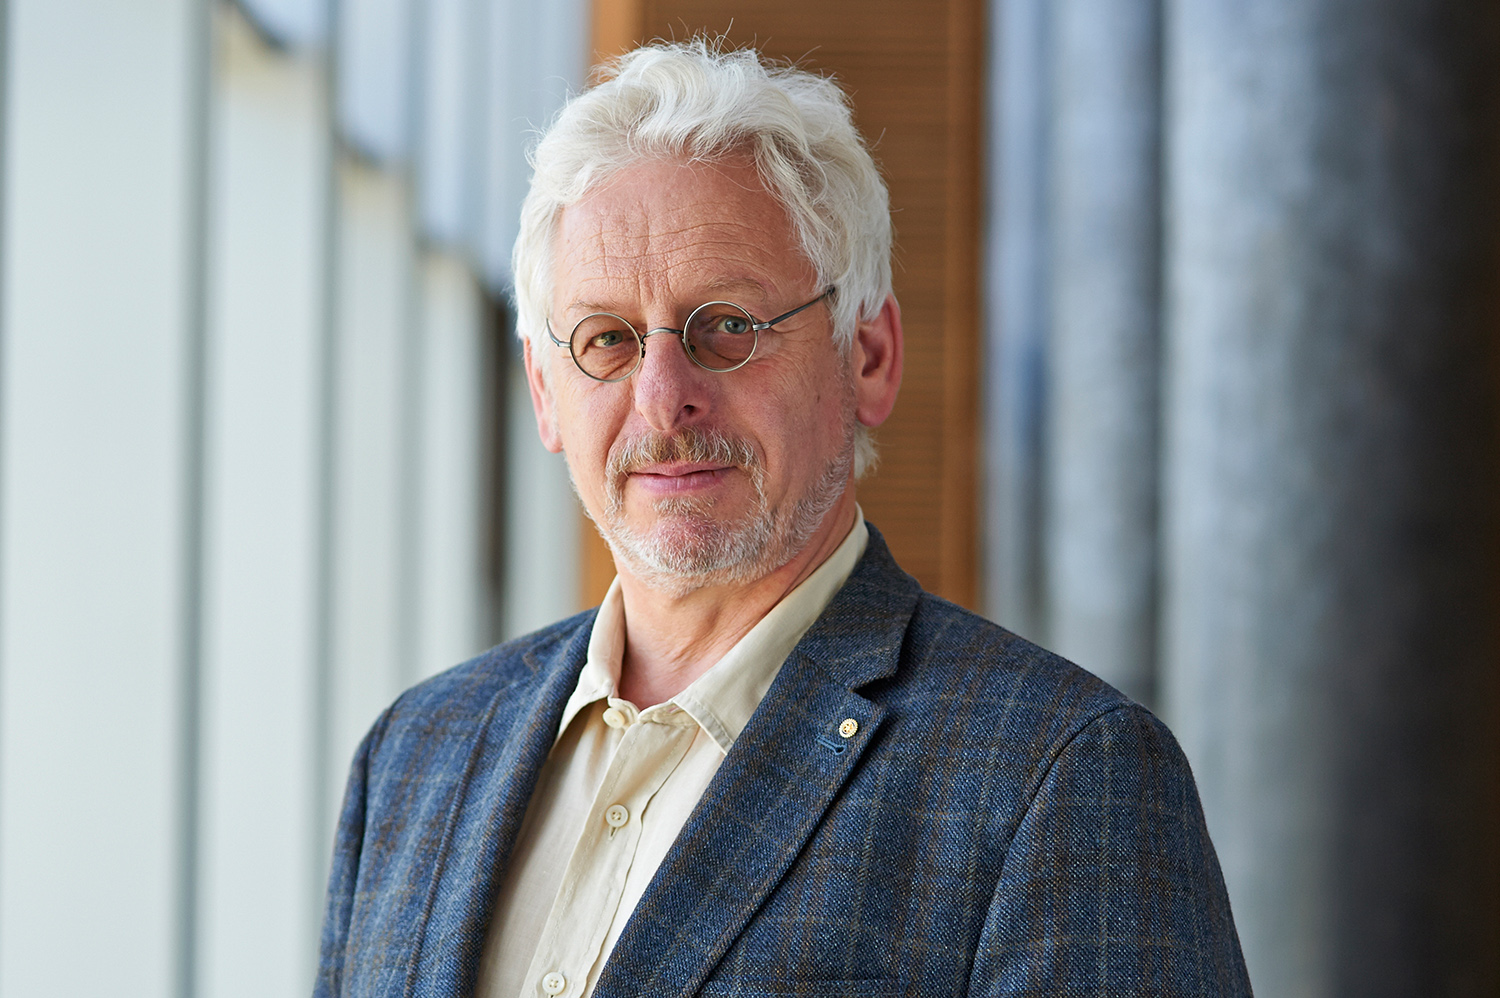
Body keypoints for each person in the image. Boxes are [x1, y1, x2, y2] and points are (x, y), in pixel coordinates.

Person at [315, 40, 1251, 998]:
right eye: (606, 339)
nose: (662, 398)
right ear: (546, 392)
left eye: (727, 326)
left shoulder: (1060, 780)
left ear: (869, 357)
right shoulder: (415, 756)